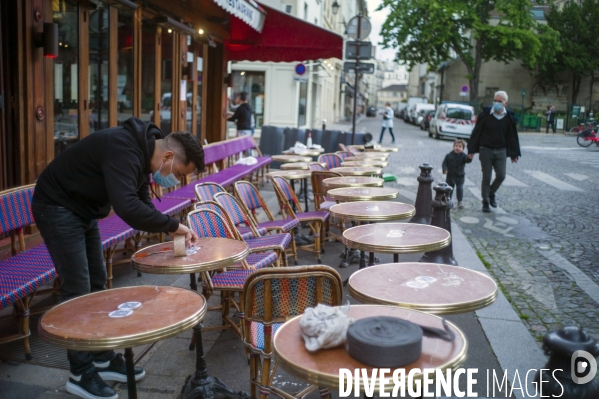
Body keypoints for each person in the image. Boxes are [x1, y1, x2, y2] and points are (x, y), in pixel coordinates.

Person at [32, 117, 203, 399]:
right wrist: (173, 225)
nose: (175, 180)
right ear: (169, 156)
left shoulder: (145, 150)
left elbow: (142, 201)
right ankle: (80, 374)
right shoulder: (124, 149)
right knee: (78, 290)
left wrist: (170, 226)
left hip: (83, 209)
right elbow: (127, 207)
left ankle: (101, 356)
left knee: (98, 283)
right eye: (179, 174)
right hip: (57, 207)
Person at [467, 90, 521, 213]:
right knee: (486, 176)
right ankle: (485, 201)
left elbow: (512, 136)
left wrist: (514, 154)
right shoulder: (485, 114)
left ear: (505, 103)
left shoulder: (509, 117)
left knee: (501, 175)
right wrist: (471, 150)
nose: (496, 103)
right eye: (495, 101)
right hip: (485, 149)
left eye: (499, 101)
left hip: (501, 150)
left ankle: (491, 193)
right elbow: (476, 133)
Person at [442, 139, 472, 209]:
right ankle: (448, 200)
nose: (457, 148)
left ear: (463, 149)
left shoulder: (464, 156)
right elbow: (444, 163)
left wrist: (469, 158)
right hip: (450, 176)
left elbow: (467, 160)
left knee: (460, 189)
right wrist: (445, 169)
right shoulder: (449, 155)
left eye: (460, 146)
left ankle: (460, 201)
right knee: (449, 189)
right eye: (456, 146)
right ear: (453, 147)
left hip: (460, 176)